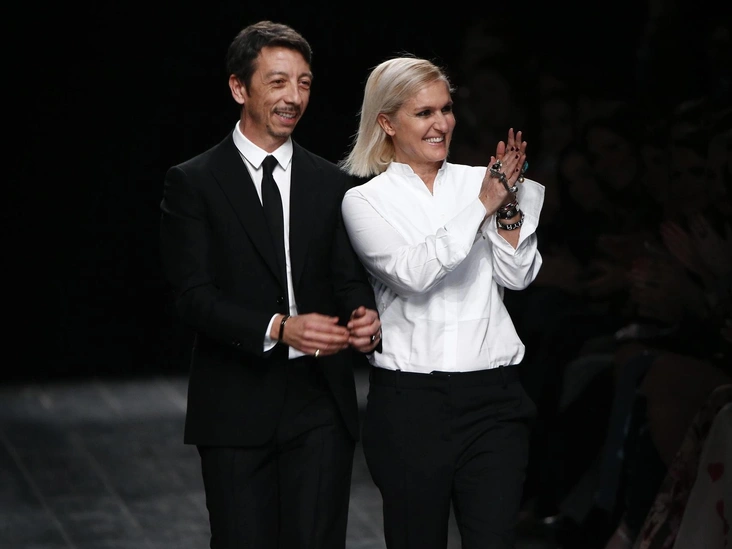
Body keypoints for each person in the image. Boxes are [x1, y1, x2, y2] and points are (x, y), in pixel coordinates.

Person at [159, 20, 381, 549]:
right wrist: (279, 327)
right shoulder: (194, 181)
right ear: (239, 87)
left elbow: (346, 278)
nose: (294, 97)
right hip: (234, 400)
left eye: (304, 83)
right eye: (278, 81)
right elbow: (193, 297)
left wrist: (363, 314)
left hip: (320, 401)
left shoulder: (331, 182)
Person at [339, 55, 545, 549]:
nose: (441, 123)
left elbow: (517, 276)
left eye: (446, 109)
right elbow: (414, 274)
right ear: (387, 123)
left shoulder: (483, 182)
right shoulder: (365, 201)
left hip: (494, 401)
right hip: (411, 405)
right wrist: (483, 205)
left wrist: (507, 208)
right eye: (424, 112)